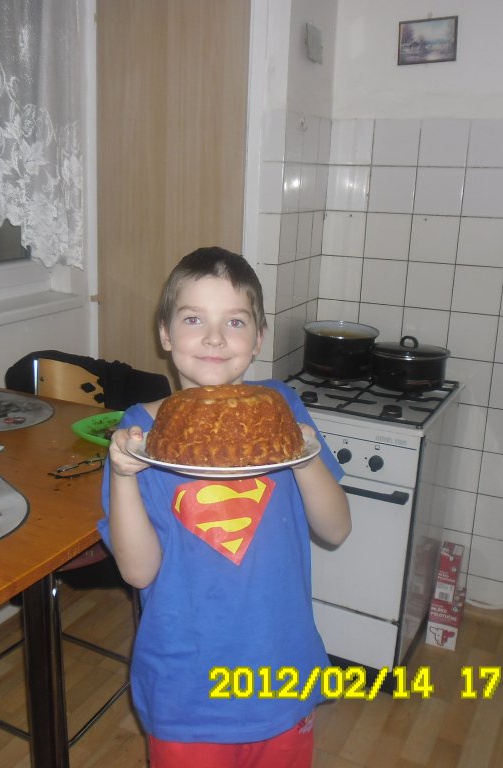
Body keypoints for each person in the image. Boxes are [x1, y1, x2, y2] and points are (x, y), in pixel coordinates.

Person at [101, 246, 350, 767]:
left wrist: (303, 454)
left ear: (258, 338)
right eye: (194, 319)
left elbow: (336, 529)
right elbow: (138, 572)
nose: (214, 338)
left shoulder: (280, 410)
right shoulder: (139, 434)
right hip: (186, 687)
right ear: (165, 333)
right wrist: (124, 476)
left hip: (281, 674)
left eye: (235, 321)